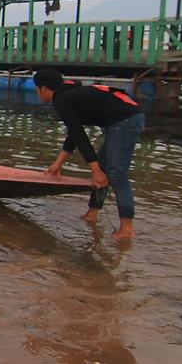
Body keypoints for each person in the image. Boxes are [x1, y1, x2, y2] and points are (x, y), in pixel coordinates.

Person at [33, 68, 145, 240]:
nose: (37, 94)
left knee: (116, 174)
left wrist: (95, 170)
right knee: (102, 170)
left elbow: (79, 135)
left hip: (125, 120)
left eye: (37, 90)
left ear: (43, 88)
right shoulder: (69, 94)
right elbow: (74, 134)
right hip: (122, 119)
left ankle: (127, 230)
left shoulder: (61, 99)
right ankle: (92, 214)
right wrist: (58, 164)